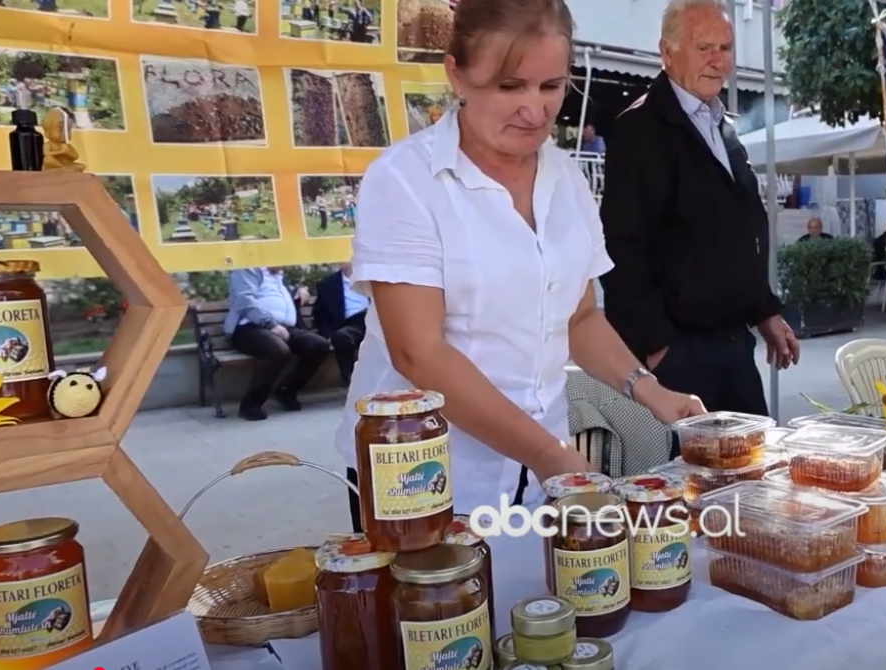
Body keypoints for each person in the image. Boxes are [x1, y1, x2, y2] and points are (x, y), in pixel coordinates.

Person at [333, 0, 706, 529]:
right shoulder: (405, 181)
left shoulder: (568, 180)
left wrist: (651, 392)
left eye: (551, 86)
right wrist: (548, 454)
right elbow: (419, 353)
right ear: (456, 75)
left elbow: (577, 319)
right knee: (438, 605)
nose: (535, 111)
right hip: (418, 477)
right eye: (510, 87)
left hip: (537, 474)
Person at [600, 0, 798, 432]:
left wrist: (764, 310)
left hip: (732, 343)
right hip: (678, 353)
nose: (717, 60)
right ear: (667, 53)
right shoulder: (639, 130)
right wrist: (656, 349)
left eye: (725, 47)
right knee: (690, 488)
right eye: (704, 46)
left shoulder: (723, 126)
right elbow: (621, 247)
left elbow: (739, 229)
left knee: (756, 474)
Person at [224, 267, 332, 420]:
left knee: (318, 345)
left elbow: (277, 293)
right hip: (249, 327)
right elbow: (244, 300)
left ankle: (286, 390)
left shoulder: (278, 275)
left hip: (282, 327)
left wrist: (300, 289)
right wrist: (270, 324)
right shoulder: (247, 270)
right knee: (277, 349)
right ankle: (250, 404)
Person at [312, 263, 369, 384]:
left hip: (375, 320)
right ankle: (350, 378)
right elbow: (320, 314)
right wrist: (327, 334)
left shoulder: (371, 277)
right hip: (352, 325)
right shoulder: (328, 284)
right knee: (341, 337)